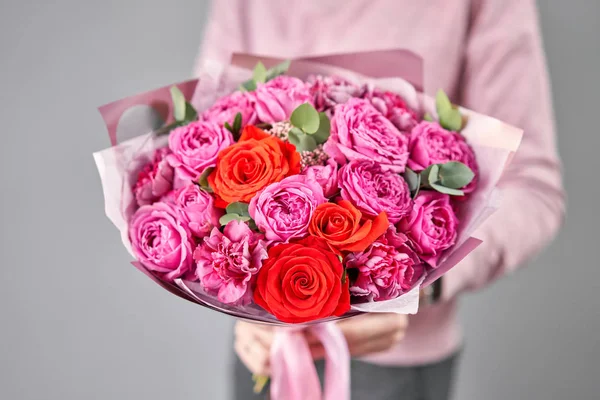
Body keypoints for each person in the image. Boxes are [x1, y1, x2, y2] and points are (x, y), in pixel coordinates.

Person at [195, 1, 565, 399]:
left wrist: (419, 287)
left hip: (396, 370)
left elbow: (533, 186)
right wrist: (243, 295)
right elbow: (205, 135)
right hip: (265, 355)